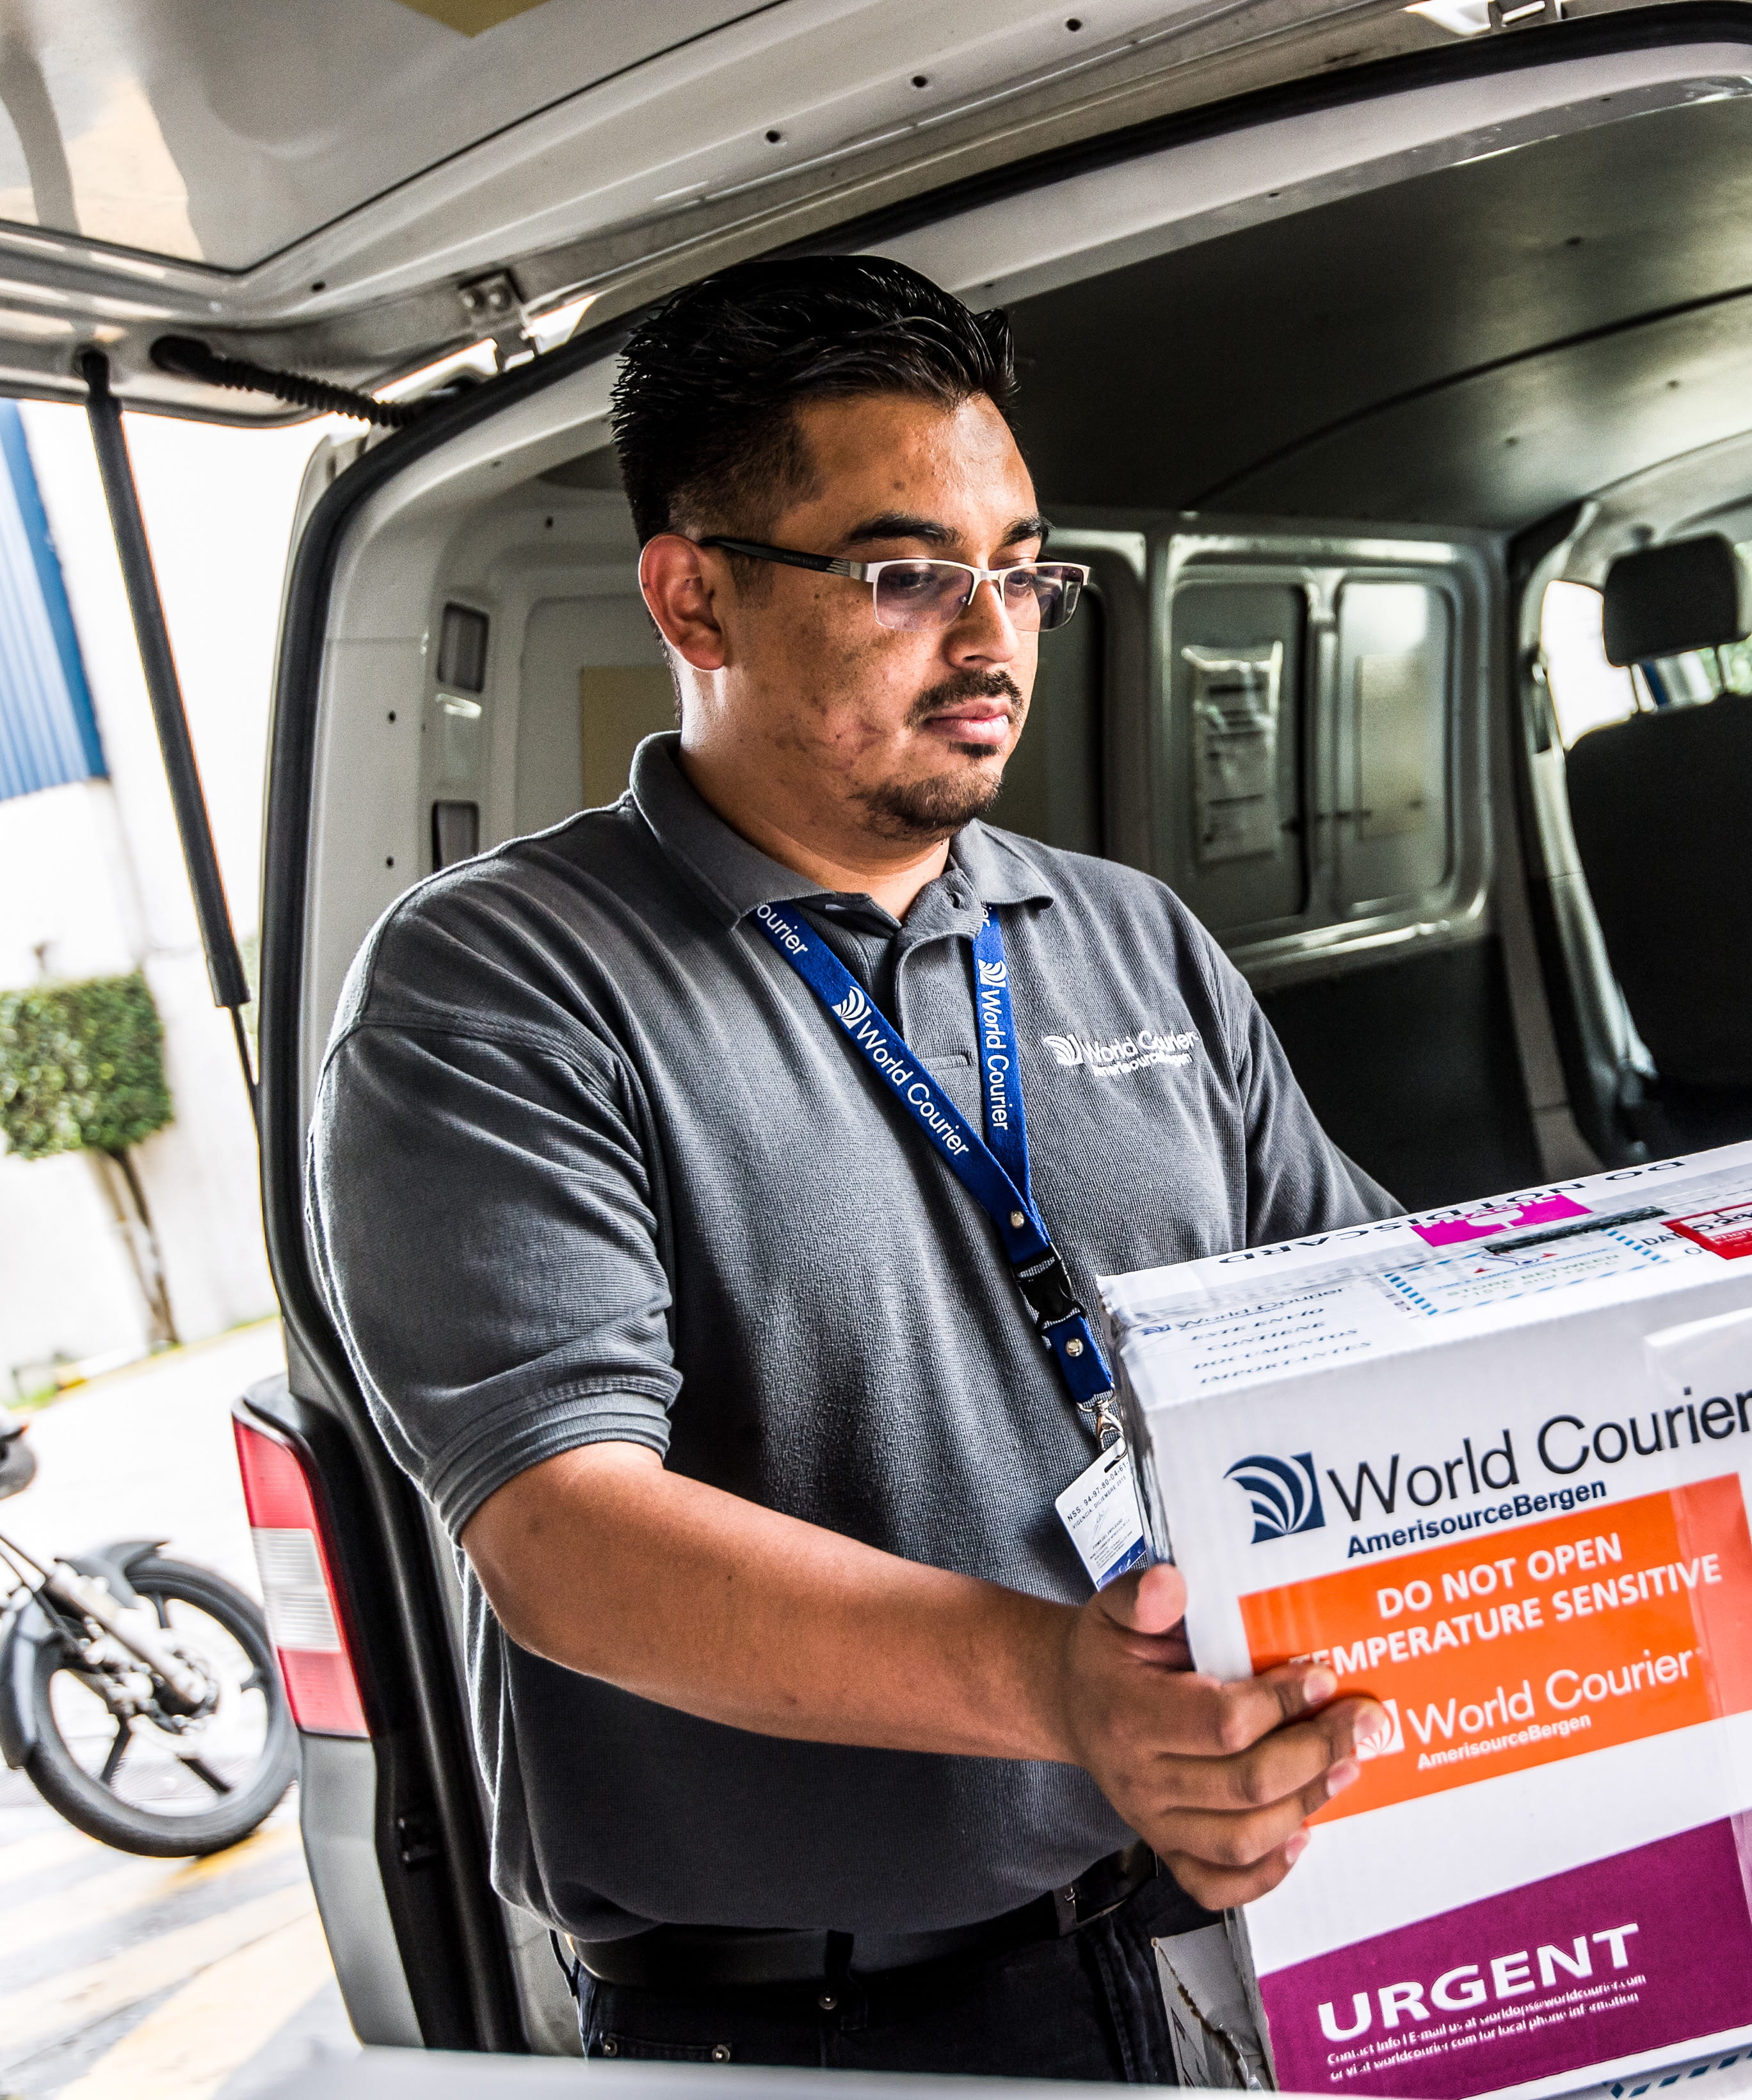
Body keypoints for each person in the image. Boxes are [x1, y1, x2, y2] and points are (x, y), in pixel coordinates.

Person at [306, 254, 1398, 2077]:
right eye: (906, 576)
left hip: (1225, 1931)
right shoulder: (498, 983)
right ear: (696, 595)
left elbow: (1355, 1319)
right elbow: (565, 1538)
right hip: (824, 2023)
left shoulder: (1125, 937)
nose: (993, 641)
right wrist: (1061, 1687)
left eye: (1021, 570)